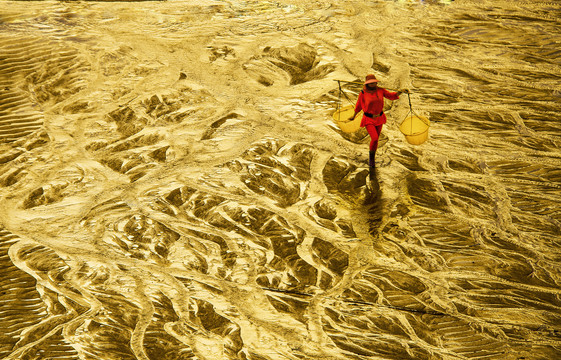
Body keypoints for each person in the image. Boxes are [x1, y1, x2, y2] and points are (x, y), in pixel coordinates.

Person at [348, 74, 408, 167]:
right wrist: (354, 116)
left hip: (379, 118)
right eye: (371, 83)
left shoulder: (381, 90)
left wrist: (400, 92)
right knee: (374, 138)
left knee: (376, 140)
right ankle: (371, 158)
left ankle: (373, 156)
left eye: (374, 82)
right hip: (368, 119)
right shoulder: (363, 93)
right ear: (367, 84)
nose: (373, 84)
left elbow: (391, 96)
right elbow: (358, 106)